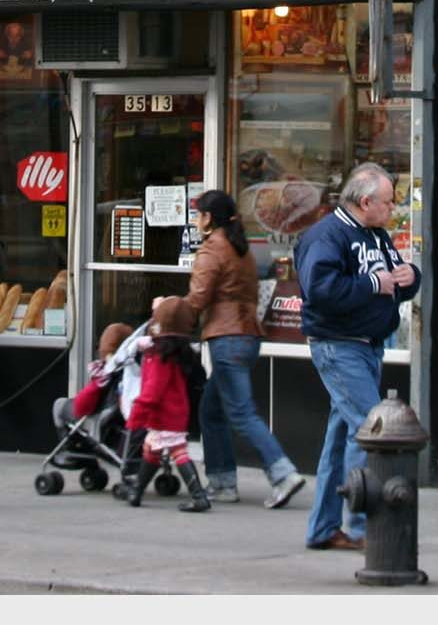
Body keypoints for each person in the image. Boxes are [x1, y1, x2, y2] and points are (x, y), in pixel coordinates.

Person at [292, 164, 416, 552]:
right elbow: (321, 290)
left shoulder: (375, 236)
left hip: (366, 346)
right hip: (339, 345)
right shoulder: (326, 236)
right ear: (366, 202)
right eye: (388, 202)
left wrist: (410, 277)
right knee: (372, 431)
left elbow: (393, 283)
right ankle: (364, 526)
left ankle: (324, 528)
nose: (392, 209)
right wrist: (373, 284)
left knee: (342, 438)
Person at [182, 189, 306, 508]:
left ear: (209, 218)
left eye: (198, 214)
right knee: (211, 410)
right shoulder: (241, 249)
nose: (196, 220)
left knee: (240, 411)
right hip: (247, 336)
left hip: (227, 338)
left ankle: (283, 473)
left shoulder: (213, 249)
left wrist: (168, 311)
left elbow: (198, 297)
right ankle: (222, 482)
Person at [116, 296, 215, 512]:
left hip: (163, 414)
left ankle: (198, 496)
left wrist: (137, 415)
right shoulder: (178, 353)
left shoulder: (159, 357)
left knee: (177, 452)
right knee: (151, 450)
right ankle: (137, 493)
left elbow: (152, 392)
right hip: (175, 412)